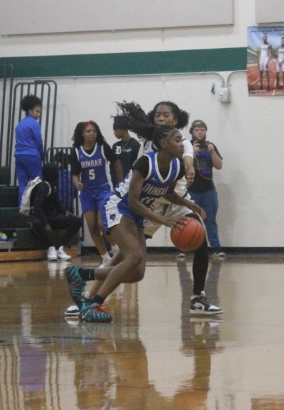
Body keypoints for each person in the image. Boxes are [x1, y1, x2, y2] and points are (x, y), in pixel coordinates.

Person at [65, 125, 202, 322]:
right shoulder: (145, 162)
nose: (182, 144)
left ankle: (82, 274)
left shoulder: (177, 167)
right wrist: (164, 220)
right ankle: (92, 304)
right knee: (134, 255)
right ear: (164, 143)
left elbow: (168, 193)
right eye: (177, 140)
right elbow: (132, 202)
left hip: (135, 215)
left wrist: (190, 205)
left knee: (137, 273)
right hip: (118, 206)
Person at [117, 100, 223, 315]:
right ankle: (92, 287)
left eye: (166, 115)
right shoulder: (147, 141)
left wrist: (190, 168)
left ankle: (198, 298)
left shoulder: (181, 142)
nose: (161, 118)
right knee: (128, 257)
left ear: (176, 120)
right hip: (150, 203)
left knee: (201, 242)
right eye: (157, 115)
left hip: (176, 201)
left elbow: (187, 158)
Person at [69, 120, 123, 266]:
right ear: (82, 133)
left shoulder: (103, 147)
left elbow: (116, 162)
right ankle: (105, 258)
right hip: (87, 193)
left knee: (102, 224)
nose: (92, 133)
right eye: (88, 131)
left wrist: (120, 184)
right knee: (91, 226)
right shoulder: (76, 151)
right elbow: (74, 174)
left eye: (94, 131)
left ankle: (115, 247)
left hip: (103, 189)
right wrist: (77, 183)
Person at [29, 162, 82, 261]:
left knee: (77, 220)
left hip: (52, 218)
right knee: (36, 223)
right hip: (42, 219)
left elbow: (57, 203)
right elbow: (37, 207)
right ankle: (50, 248)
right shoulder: (43, 187)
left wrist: (65, 212)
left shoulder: (52, 186)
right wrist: (45, 224)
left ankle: (59, 248)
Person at [188, 119, 224, 258]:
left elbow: (219, 166)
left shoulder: (211, 146)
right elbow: (180, 166)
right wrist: (192, 153)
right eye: (197, 130)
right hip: (191, 190)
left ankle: (216, 248)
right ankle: (186, 248)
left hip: (208, 190)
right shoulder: (187, 146)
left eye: (202, 130)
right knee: (189, 220)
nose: (199, 132)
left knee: (210, 220)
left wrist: (212, 151)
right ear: (192, 132)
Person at [14, 95, 44, 204]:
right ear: (30, 111)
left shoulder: (19, 125)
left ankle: (22, 208)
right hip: (32, 155)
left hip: (19, 156)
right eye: (37, 111)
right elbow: (39, 142)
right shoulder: (34, 124)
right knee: (38, 183)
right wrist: (42, 155)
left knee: (23, 184)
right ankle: (38, 207)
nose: (39, 114)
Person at [110, 117, 140, 186]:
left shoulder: (135, 145)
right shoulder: (115, 146)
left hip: (130, 183)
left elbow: (138, 166)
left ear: (122, 129)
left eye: (115, 130)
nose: (114, 133)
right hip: (117, 184)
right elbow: (112, 166)